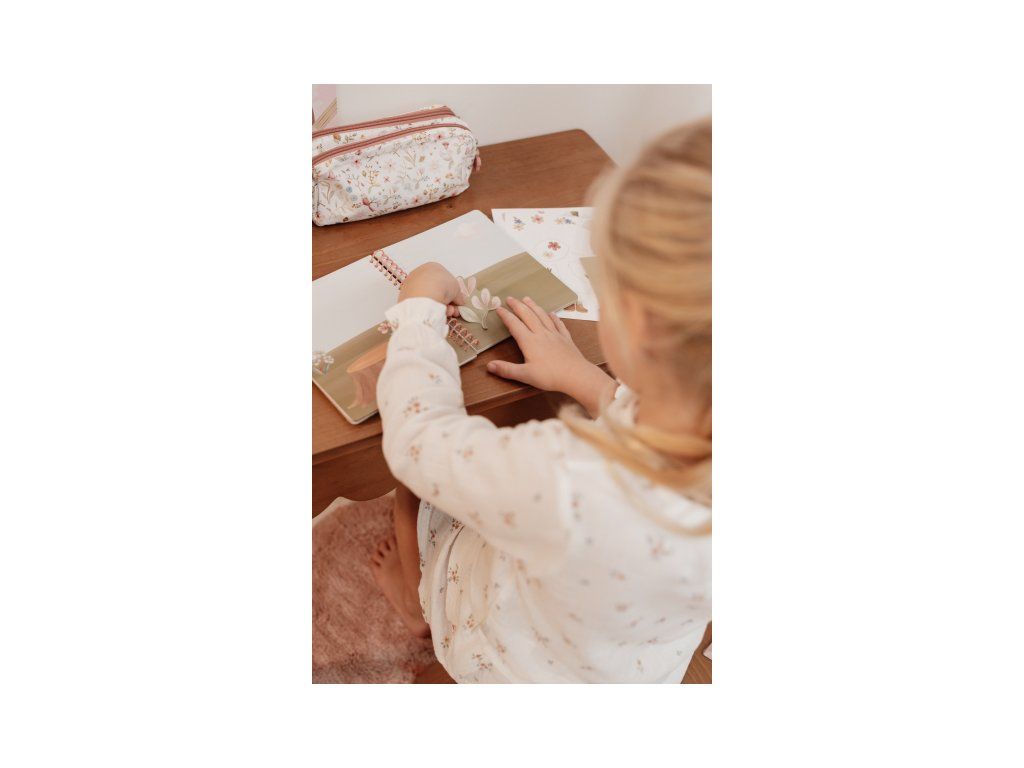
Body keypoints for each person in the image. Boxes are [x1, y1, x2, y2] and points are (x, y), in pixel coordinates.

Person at [370, 118, 712, 682]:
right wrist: (585, 379)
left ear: (638, 325)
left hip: (511, 657)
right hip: (636, 670)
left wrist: (418, 310)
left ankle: (417, 604)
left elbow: (419, 441)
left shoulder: (567, 476)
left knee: (411, 495)